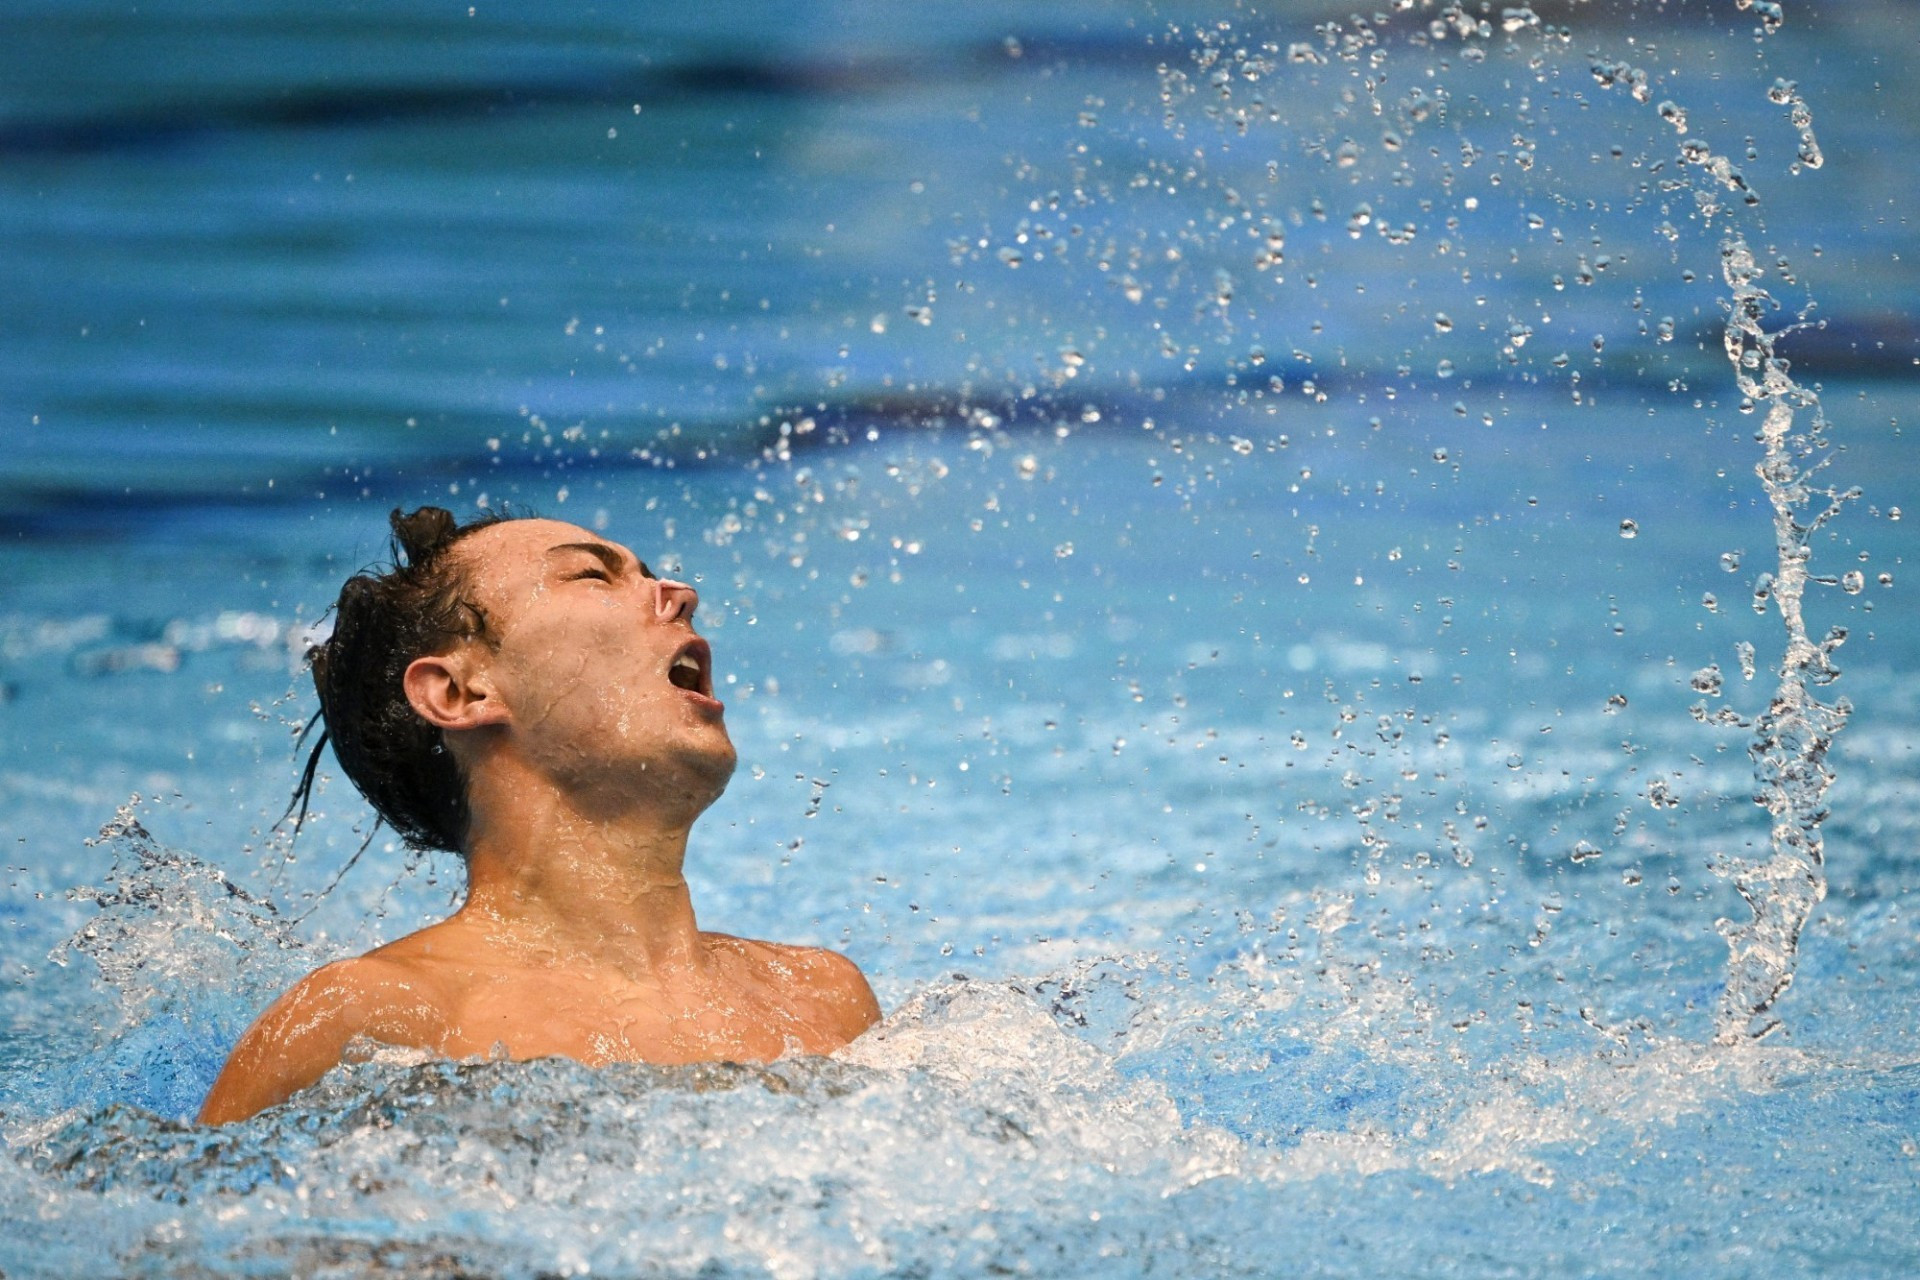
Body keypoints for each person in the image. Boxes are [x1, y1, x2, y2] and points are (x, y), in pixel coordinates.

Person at [198, 507, 881, 1125]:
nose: (680, 595)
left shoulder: (822, 996)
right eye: (593, 576)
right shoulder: (366, 1021)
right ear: (461, 691)